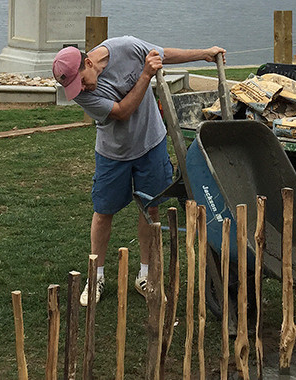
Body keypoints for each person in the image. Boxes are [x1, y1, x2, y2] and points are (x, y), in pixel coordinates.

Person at [51, 36, 225, 306]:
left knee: (151, 208)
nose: (81, 89)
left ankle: (145, 275)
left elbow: (161, 53)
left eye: (81, 80)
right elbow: (122, 111)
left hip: (150, 144)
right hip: (113, 153)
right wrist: (145, 74)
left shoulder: (126, 47)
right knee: (103, 213)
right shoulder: (84, 95)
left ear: (88, 62)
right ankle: (95, 276)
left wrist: (203, 53)